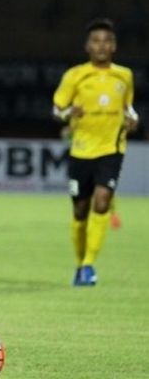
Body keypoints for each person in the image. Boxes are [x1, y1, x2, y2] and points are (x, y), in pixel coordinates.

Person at [53, 18, 138, 287]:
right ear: (87, 46)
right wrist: (69, 113)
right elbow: (57, 110)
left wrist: (133, 120)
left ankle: (89, 264)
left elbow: (129, 108)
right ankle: (80, 263)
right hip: (81, 150)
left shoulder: (124, 76)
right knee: (80, 210)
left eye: (107, 41)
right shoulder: (75, 75)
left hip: (111, 148)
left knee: (102, 200)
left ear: (114, 46)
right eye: (96, 41)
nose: (102, 46)